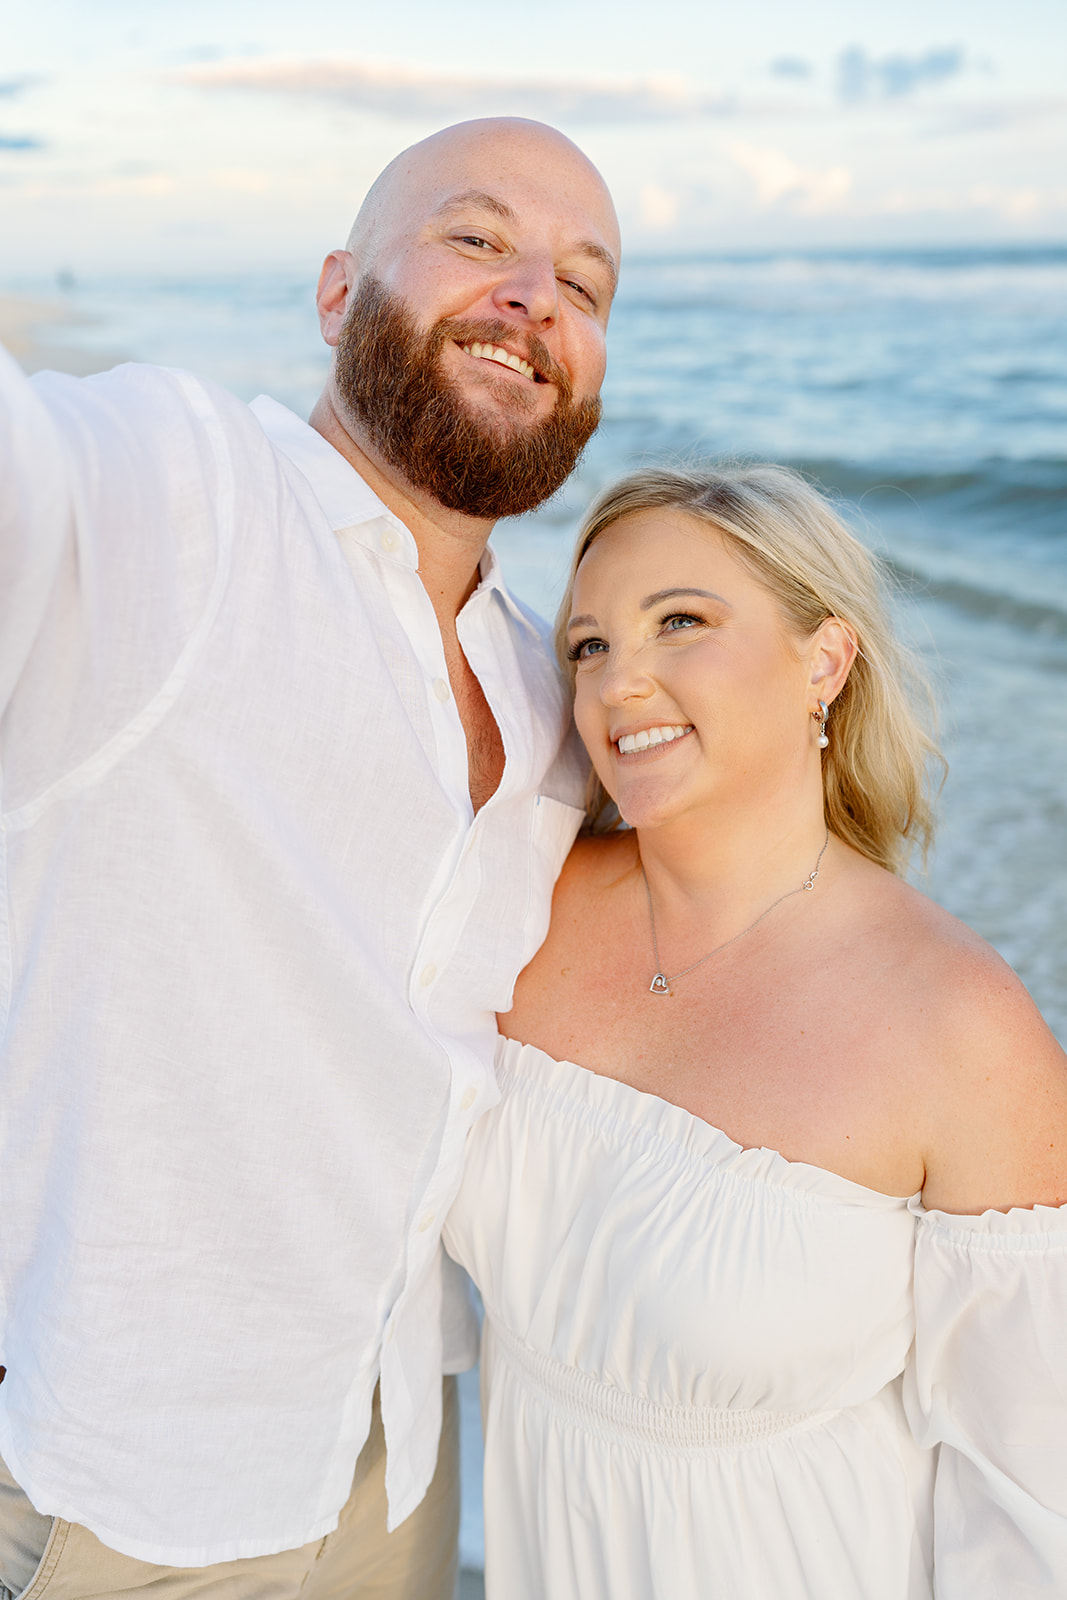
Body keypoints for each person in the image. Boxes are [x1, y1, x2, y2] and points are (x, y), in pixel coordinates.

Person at [0, 118, 620, 1600]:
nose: (534, 294)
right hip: (127, 1486)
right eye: (475, 240)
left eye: (584, 285)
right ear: (337, 294)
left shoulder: (555, 689)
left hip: (401, 1459)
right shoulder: (176, 487)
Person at [444, 463, 1067, 1599]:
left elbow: (1032, 1485)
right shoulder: (519, 902)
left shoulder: (959, 1029)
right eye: (585, 646)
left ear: (823, 661)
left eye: (678, 622)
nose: (619, 680)